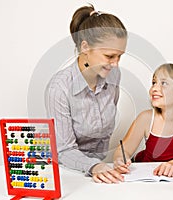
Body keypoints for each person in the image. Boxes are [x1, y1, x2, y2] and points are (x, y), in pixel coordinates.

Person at [45, 4, 127, 184]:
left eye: (119, 56)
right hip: (67, 174)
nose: (116, 64)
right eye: (109, 56)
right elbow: (64, 150)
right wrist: (93, 166)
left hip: (100, 171)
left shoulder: (114, 75)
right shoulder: (59, 88)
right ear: (85, 47)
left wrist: (118, 159)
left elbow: (105, 133)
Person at [113, 63, 173, 177]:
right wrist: (119, 159)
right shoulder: (145, 118)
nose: (154, 88)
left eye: (164, 83)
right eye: (154, 83)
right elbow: (123, 150)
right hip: (147, 175)